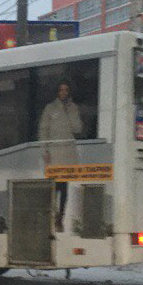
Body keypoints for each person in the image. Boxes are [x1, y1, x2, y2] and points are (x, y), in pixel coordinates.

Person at [38, 81, 83, 231]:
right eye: (61, 90)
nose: (63, 92)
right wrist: (44, 150)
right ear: (57, 92)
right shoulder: (50, 108)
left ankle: (60, 218)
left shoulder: (73, 107)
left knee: (64, 187)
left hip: (68, 154)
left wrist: (70, 111)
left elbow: (78, 129)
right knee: (53, 187)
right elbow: (43, 130)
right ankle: (53, 216)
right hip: (54, 154)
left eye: (66, 90)